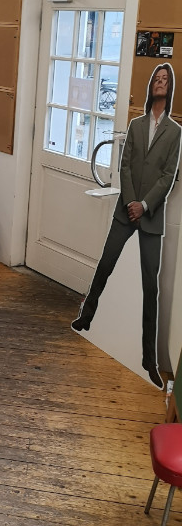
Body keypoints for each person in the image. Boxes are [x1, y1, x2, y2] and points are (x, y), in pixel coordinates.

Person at [72, 64, 181, 387]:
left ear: (170, 88)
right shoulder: (135, 125)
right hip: (126, 210)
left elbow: (168, 176)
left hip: (151, 216)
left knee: (151, 285)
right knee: (105, 266)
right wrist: (131, 202)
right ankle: (86, 318)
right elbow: (125, 165)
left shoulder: (175, 133)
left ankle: (148, 360)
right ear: (150, 87)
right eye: (156, 79)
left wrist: (145, 204)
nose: (160, 83)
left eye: (165, 80)